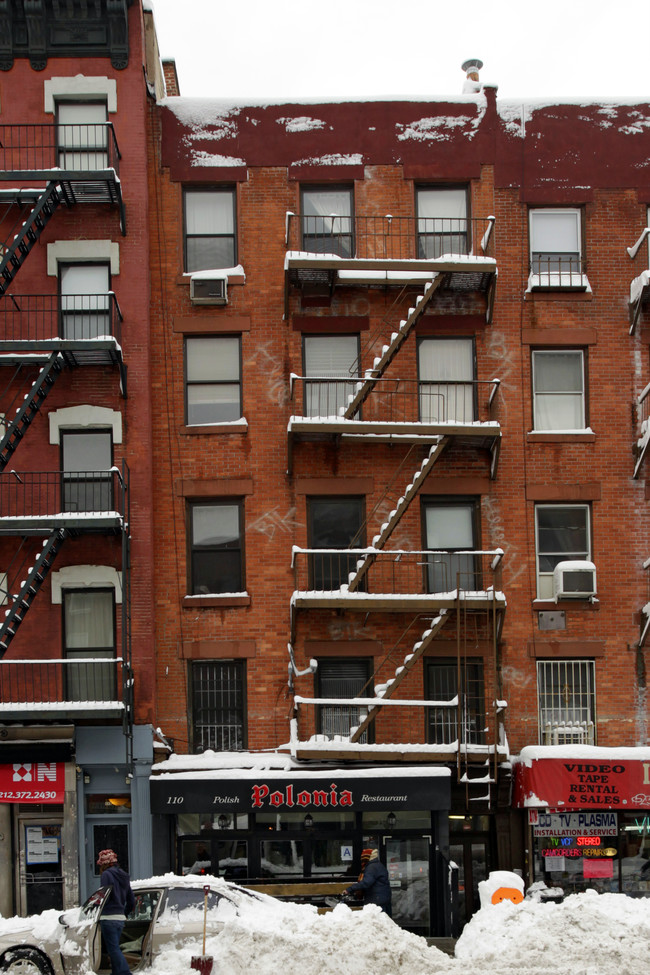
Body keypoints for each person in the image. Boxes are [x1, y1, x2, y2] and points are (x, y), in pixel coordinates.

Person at [97, 848, 136, 975]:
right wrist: (123, 913)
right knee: (115, 949)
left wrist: (99, 909)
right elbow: (131, 900)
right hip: (119, 919)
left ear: (104, 864)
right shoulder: (124, 876)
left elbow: (105, 895)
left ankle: (125, 973)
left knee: (113, 950)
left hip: (108, 917)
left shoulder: (106, 875)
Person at [342, 847, 392, 917]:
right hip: (382, 898)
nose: (361, 860)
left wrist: (350, 889)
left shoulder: (372, 867)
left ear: (366, 858)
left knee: (377, 921)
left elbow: (366, 882)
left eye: (362, 858)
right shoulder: (378, 865)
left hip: (376, 899)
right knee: (383, 921)